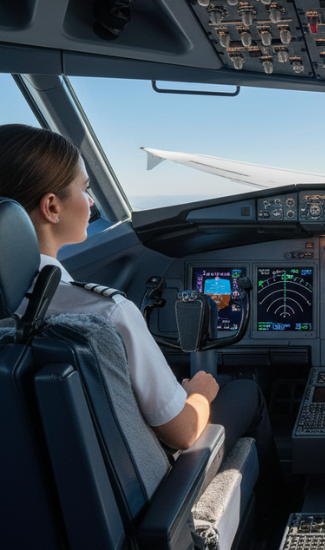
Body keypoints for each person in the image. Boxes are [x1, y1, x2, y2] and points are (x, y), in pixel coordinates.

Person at [0, 123, 280, 490]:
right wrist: (199, 392)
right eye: (85, 189)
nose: (91, 203)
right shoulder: (105, 313)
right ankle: (276, 511)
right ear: (52, 206)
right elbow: (184, 432)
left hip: (34, 492)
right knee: (245, 392)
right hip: (148, 499)